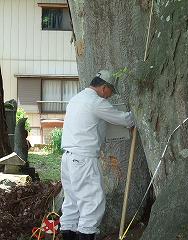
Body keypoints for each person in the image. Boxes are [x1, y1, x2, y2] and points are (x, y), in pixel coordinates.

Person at [60, 70, 134, 240]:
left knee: (71, 202)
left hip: (68, 159)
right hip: (84, 159)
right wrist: (134, 115)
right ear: (104, 87)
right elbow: (124, 120)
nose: (110, 96)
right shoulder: (96, 102)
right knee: (92, 202)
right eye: (111, 92)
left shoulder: (76, 99)